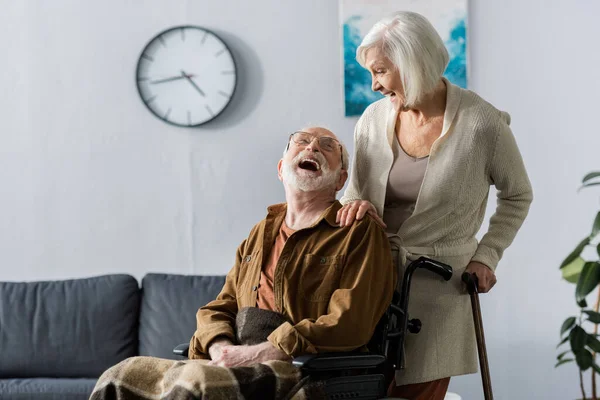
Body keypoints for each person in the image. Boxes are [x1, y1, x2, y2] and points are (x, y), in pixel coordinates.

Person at [90, 127, 396, 400]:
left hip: (303, 368)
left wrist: (268, 350)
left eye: (327, 146)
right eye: (300, 142)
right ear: (280, 168)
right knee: (122, 374)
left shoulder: (358, 231)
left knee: (198, 382)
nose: (312, 147)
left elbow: (350, 323)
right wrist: (220, 349)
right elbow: (219, 308)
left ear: (341, 179)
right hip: (234, 359)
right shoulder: (261, 232)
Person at [336, 11, 533, 400]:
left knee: (419, 392)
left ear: (411, 63)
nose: (373, 85)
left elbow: (517, 194)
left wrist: (487, 256)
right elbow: (354, 193)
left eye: (379, 71)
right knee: (361, 389)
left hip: (439, 285)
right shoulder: (372, 120)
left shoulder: (482, 124)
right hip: (370, 280)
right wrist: (355, 208)